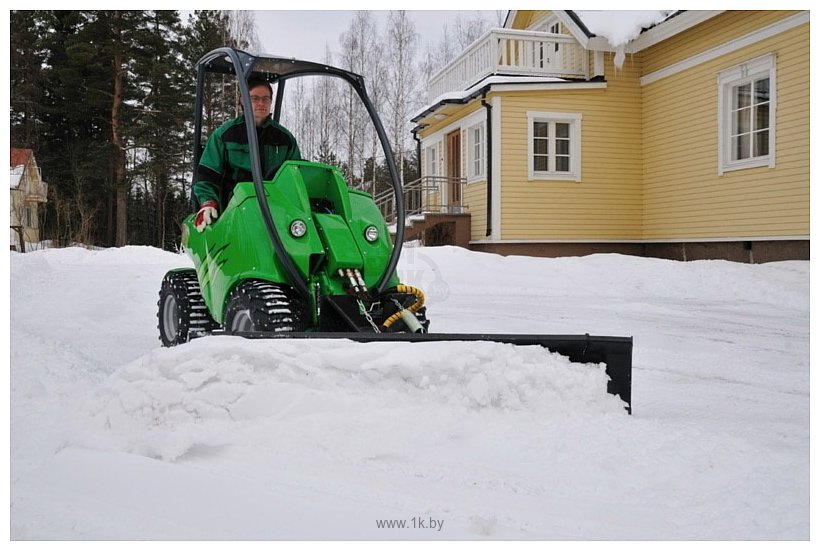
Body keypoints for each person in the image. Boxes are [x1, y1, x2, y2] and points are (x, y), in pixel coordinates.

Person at [193, 77, 301, 232]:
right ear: (243, 100)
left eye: (266, 99)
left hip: (276, 214)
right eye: (255, 98)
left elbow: (295, 176)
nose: (261, 103)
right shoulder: (225, 135)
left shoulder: (284, 138)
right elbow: (207, 175)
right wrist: (208, 202)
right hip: (234, 210)